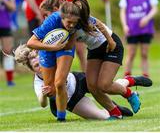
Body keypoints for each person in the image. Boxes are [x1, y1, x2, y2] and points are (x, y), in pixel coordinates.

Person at [14, 44, 152, 120]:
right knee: (103, 118)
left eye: (41, 62)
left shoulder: (50, 62)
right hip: (71, 100)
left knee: (105, 86)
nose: (42, 67)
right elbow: (42, 103)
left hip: (78, 80)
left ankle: (128, 81)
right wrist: (44, 95)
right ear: (33, 70)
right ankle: (114, 109)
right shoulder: (38, 81)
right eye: (37, 66)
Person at [71, 0, 141, 116]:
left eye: (80, 7)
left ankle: (130, 94)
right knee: (92, 86)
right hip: (94, 50)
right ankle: (115, 113)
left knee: (104, 85)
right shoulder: (66, 21)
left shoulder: (87, 19)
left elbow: (100, 25)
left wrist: (110, 41)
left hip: (110, 45)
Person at [27, 1, 81, 121]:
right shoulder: (51, 21)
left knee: (60, 83)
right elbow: (31, 43)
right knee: (50, 90)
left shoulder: (77, 19)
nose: (72, 25)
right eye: (69, 22)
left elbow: (77, 31)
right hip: (47, 49)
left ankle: (61, 119)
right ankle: (56, 104)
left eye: (74, 23)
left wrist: (70, 42)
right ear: (62, 18)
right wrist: (53, 47)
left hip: (64, 46)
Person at [119, 0, 158, 78]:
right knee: (131, 53)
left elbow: (155, 9)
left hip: (146, 29)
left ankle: (145, 75)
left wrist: (147, 18)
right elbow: (123, 11)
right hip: (132, 29)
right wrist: (124, 25)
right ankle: (127, 75)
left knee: (144, 53)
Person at [54, 0, 86, 72]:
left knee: (81, 53)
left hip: (77, 25)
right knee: (64, 54)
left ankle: (86, 78)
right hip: (63, 26)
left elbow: (82, 0)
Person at [0, 0, 16, 86]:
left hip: (4, 24)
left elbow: (13, 8)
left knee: (7, 51)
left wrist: (4, 0)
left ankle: (10, 80)